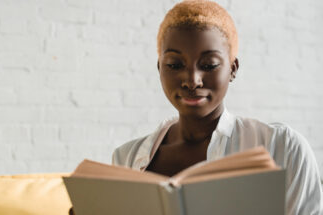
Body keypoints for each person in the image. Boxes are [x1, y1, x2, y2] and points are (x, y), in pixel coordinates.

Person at [112, 0, 323, 214]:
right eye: (175, 65)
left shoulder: (282, 148)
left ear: (232, 69)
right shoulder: (127, 158)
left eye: (209, 65)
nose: (192, 80)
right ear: (160, 68)